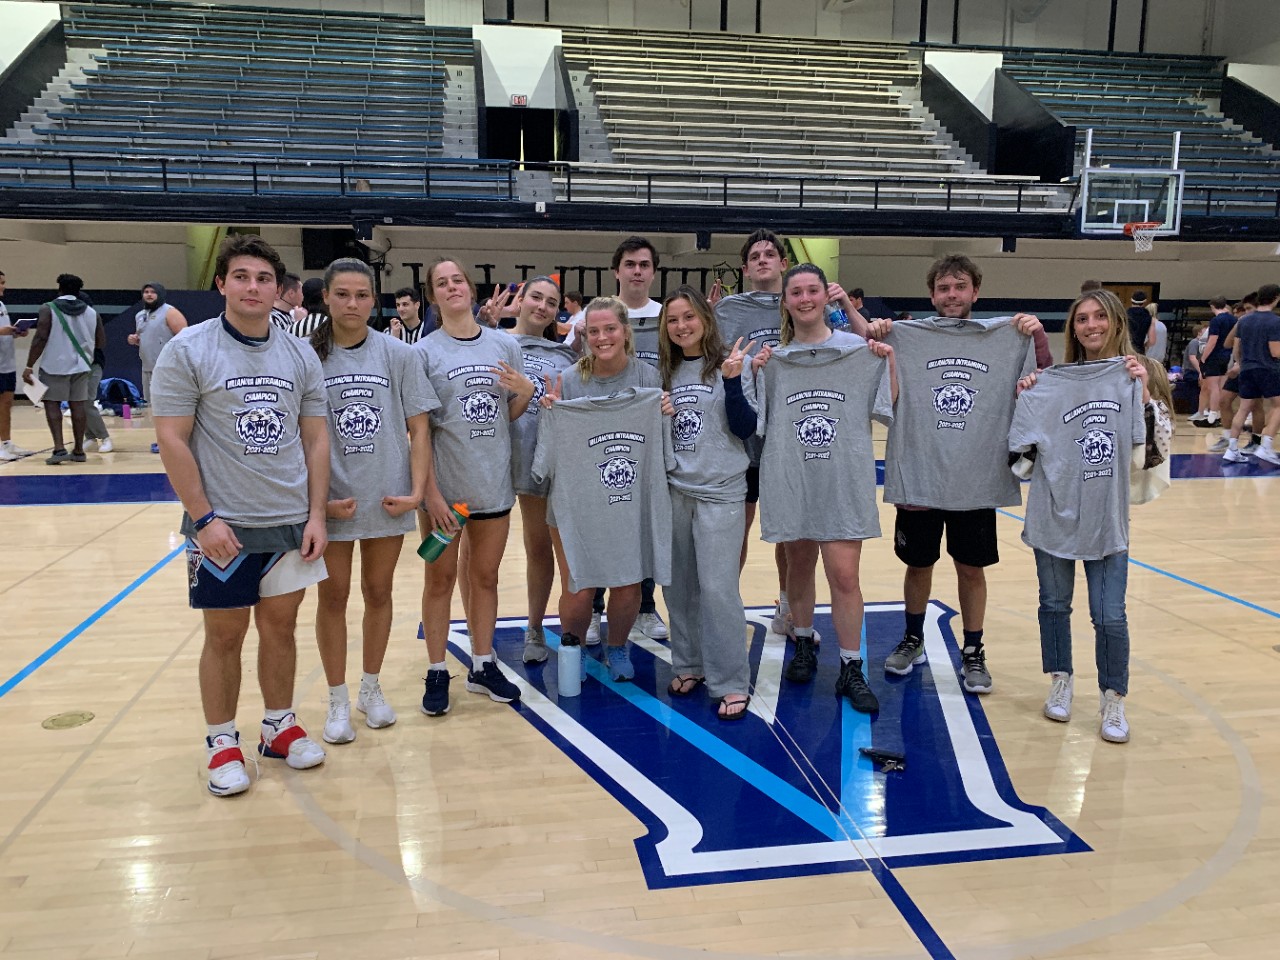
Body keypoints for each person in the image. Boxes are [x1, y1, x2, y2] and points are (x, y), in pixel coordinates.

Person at [150, 234, 331, 797]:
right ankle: (222, 740)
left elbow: (316, 438)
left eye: (264, 279)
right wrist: (204, 519)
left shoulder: (300, 354)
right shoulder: (189, 349)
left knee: (281, 628)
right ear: (221, 284)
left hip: (289, 522)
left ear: (279, 290)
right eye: (242, 277)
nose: (253, 287)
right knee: (224, 636)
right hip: (222, 526)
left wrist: (317, 515)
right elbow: (171, 438)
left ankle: (278, 726)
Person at [1011, 288, 1171, 744]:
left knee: (1110, 616)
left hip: (1106, 518)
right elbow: (1021, 462)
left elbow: (1152, 455)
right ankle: (1060, 680)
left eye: (1100, 316)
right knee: (1053, 605)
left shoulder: (1138, 374)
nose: (1091, 325)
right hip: (1053, 512)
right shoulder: (1051, 382)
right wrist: (1029, 397)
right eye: (1082, 318)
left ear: (1117, 321)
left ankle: (1113, 698)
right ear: (1073, 328)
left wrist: (1142, 393)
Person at [875, 255, 1040, 696]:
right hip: (921, 474)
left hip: (976, 477)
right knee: (918, 565)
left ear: (975, 292)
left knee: (971, 569)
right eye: (944, 288)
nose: (952, 295)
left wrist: (1036, 335)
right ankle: (913, 638)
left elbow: (1039, 380)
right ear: (932, 295)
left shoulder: (1007, 337)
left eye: (960, 286)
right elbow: (865, 346)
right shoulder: (906, 336)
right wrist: (873, 327)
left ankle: (973, 649)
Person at [752, 264, 895, 714]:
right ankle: (803, 643)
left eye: (812, 290)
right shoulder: (773, 361)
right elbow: (753, 421)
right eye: (796, 292)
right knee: (799, 566)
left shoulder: (856, 350)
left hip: (843, 480)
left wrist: (886, 357)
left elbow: (888, 404)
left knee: (845, 576)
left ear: (825, 296)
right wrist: (752, 372)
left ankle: (851, 666)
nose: (805, 298)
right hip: (793, 478)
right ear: (785, 302)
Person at [309, 259, 439, 743]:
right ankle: (337, 699)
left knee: (379, 593)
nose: (352, 304)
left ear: (374, 300)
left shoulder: (398, 354)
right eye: (342, 294)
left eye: (362, 295)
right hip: (333, 500)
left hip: (387, 496)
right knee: (333, 597)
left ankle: (370, 688)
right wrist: (316, 504)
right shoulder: (307, 355)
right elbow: (300, 436)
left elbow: (420, 429)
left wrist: (417, 493)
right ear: (326, 297)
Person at [414, 257, 534, 717]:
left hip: (493, 488)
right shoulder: (423, 353)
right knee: (439, 579)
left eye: (457, 280)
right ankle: (436, 669)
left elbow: (506, 414)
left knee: (485, 578)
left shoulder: (504, 345)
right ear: (433, 296)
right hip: (446, 496)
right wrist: (431, 495)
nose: (452, 288)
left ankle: (483, 664)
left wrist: (526, 392)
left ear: (470, 287)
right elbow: (418, 433)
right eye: (441, 283)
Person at [539, 296, 666, 680]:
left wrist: (665, 412)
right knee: (579, 585)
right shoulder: (569, 380)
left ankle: (618, 647)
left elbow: (660, 441)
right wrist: (551, 414)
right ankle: (573, 650)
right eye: (593, 331)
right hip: (576, 500)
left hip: (627, 499)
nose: (602, 337)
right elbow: (549, 455)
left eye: (610, 329)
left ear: (625, 332)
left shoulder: (648, 378)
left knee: (627, 583)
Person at [658, 286, 754, 719]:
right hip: (676, 489)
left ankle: (731, 680)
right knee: (678, 586)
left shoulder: (732, 364)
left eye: (689, 317)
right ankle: (689, 663)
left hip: (721, 491)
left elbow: (745, 428)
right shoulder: (664, 372)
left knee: (718, 590)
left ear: (706, 319)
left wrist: (732, 382)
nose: (682, 326)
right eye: (673, 320)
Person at [592, 236, 669, 644]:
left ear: (653, 272)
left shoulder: (668, 318)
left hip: (650, 434)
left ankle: (645, 606)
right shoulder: (594, 316)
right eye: (629, 264)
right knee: (599, 524)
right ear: (616, 271)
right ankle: (594, 607)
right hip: (600, 437)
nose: (637, 271)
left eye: (644, 264)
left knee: (645, 524)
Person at [508, 276, 577, 665]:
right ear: (519, 299)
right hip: (494, 464)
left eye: (551, 302)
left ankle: (537, 626)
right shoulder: (493, 343)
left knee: (542, 547)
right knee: (475, 554)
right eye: (536, 297)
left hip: (544, 466)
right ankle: (482, 638)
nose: (542, 306)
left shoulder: (565, 356)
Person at [21, 273, 105, 465]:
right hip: (82, 366)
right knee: (78, 406)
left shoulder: (48, 308)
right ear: (79, 291)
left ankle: (59, 449)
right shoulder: (92, 312)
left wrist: (29, 364)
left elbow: (40, 337)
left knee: (52, 404)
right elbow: (101, 342)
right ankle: (78, 450)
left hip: (54, 365)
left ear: (59, 289)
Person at [1222, 283, 1280, 466]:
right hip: (1267, 368)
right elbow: (1275, 352)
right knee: (1278, 405)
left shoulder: (1244, 320)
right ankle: (1266, 446)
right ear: (1276, 298)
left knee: (1243, 408)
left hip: (1246, 369)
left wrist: (1240, 364)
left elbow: (1236, 347)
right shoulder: (1275, 321)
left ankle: (1232, 449)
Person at [128, 282, 187, 407]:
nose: (149, 295)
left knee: (166, 403)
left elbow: (185, 338)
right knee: (150, 403)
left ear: (160, 294)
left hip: (167, 367)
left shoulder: (170, 312)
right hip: (147, 366)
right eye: (146, 292)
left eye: (153, 292)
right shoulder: (140, 315)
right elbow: (145, 337)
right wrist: (134, 340)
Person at [0, 269, 35, 461]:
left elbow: (4, 331)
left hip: (7, 364)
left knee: (6, 404)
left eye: (4, 282)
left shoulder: (1, 305)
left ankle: (6, 442)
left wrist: (15, 332)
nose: (4, 286)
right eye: (1, 282)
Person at [1195, 296, 1236, 429]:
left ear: (1212, 306)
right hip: (1228, 355)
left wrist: (1203, 358)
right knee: (1221, 385)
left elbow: (1213, 340)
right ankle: (1218, 413)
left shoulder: (1216, 320)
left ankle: (1212, 415)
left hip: (1215, 355)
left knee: (1213, 387)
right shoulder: (1233, 319)